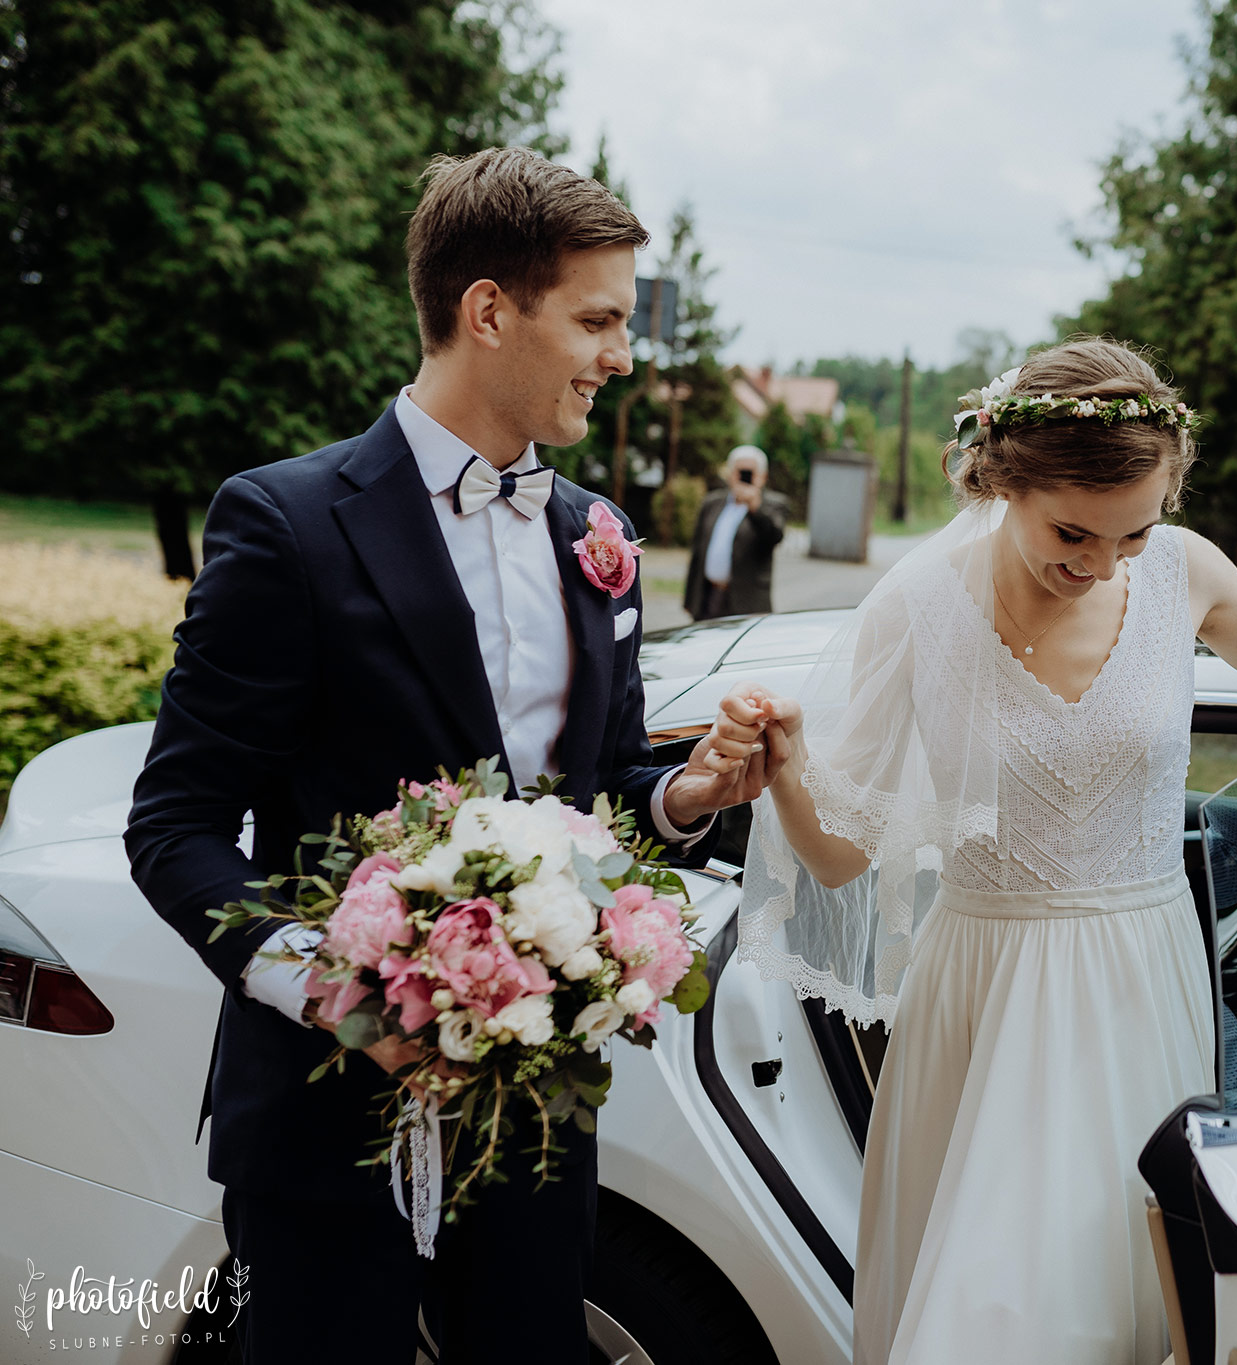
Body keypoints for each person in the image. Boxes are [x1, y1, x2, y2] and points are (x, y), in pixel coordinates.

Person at [124, 148, 778, 1365]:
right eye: (596, 320)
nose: (621, 356)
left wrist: (689, 792)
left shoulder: (600, 536)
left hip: (541, 1117)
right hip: (326, 1120)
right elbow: (174, 827)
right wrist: (336, 992)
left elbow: (603, 787)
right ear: (488, 311)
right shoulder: (285, 524)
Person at [713, 337, 1237, 1365]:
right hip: (984, 999)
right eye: (1072, 532)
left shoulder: (1181, 572)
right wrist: (793, 769)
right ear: (1000, 476)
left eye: (1131, 536)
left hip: (1140, 991)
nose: (1102, 563)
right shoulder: (916, 605)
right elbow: (843, 857)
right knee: (986, 1321)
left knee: (1124, 1300)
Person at [684, 443, 789, 619]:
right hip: (708, 598)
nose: (743, 478)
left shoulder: (773, 505)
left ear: (763, 477)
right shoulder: (712, 502)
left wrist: (756, 507)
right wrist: (690, 600)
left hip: (747, 604)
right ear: (731, 475)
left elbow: (774, 537)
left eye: (750, 473)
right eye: (739, 472)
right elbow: (697, 552)